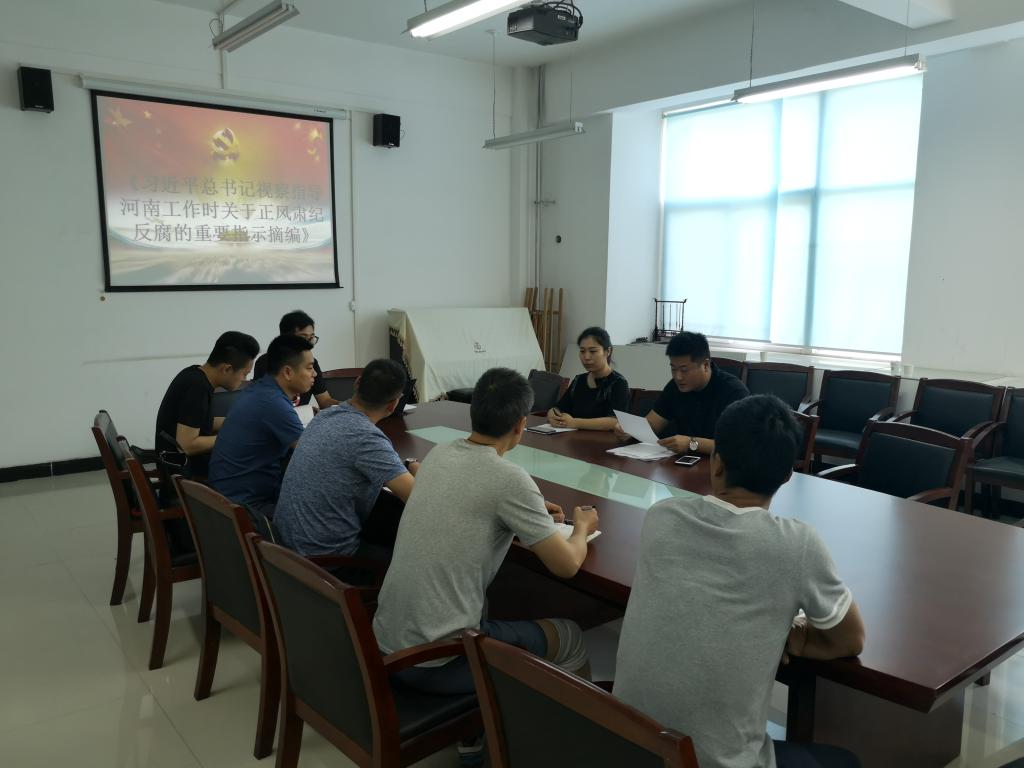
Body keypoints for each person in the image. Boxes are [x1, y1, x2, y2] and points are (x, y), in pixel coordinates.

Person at [614, 395, 865, 768]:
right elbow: (851, 639)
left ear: (716, 463)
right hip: (712, 762)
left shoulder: (661, 517)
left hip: (627, 746)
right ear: (787, 475)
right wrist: (792, 634)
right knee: (845, 761)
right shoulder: (797, 544)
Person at [373, 367, 600, 697]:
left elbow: (469, 497)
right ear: (521, 425)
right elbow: (566, 565)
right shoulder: (510, 479)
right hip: (436, 661)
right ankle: (563, 726)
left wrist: (529, 508)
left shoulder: (439, 453)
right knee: (569, 636)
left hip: (385, 644)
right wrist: (582, 527)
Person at [274, 359, 417, 566]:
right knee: (412, 557)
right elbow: (417, 498)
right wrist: (417, 469)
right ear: (393, 404)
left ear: (357, 383)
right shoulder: (367, 438)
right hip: (325, 562)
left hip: (284, 549)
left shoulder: (324, 416)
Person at [208, 335, 315, 519]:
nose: (315, 374)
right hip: (245, 509)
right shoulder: (273, 402)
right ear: (287, 372)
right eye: (310, 368)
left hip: (223, 498)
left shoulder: (259, 389)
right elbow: (314, 453)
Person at [616, 330, 747, 455]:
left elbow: (737, 445)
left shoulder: (734, 392)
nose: (678, 377)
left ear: (706, 365)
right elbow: (652, 425)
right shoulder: (675, 387)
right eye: (673, 369)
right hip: (680, 464)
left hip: (719, 465)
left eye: (684, 370)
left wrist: (692, 443)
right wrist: (630, 431)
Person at [154, 331, 259, 478]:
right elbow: (187, 445)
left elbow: (199, 421)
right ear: (227, 369)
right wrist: (234, 436)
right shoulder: (197, 388)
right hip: (184, 478)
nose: (244, 379)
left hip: (182, 470)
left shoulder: (194, 374)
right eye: (244, 374)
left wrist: (239, 422)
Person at [252, 310, 341, 408]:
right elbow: (265, 402)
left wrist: (349, 406)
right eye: (303, 337)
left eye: (311, 338)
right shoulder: (267, 362)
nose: (309, 343)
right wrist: (306, 411)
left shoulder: (312, 363)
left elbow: (324, 400)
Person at [547, 326, 630, 431]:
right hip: (573, 438)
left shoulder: (618, 383)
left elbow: (615, 421)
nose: (586, 357)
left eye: (593, 351)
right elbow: (558, 408)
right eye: (582, 351)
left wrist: (575, 422)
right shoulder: (579, 380)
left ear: (607, 351)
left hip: (602, 440)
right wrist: (551, 415)